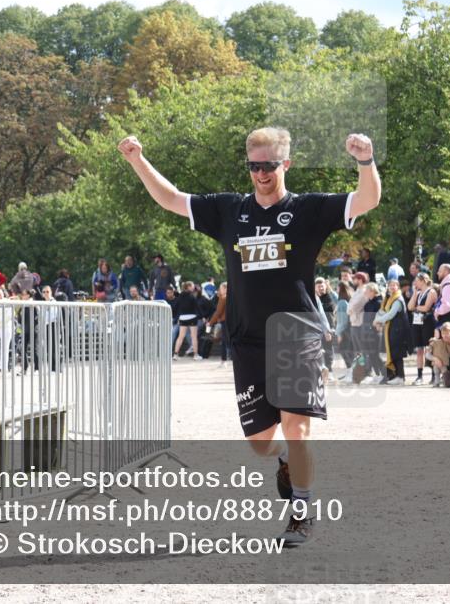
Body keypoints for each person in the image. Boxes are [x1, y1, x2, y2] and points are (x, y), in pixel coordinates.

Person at [119, 126, 380, 545]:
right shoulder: (228, 210)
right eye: (254, 166)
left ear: (286, 164)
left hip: (297, 333)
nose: (261, 174)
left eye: (269, 165)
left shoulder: (308, 210)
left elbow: (367, 200)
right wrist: (137, 160)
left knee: (297, 430)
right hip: (247, 337)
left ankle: (301, 511)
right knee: (262, 443)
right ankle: (282, 464)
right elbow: (171, 198)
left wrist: (365, 162)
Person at [373, 278, 409, 383]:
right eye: (390, 285)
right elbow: (383, 311)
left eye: (394, 285)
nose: (392, 287)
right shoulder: (389, 298)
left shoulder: (398, 299)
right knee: (393, 352)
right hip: (392, 329)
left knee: (398, 353)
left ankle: (401, 377)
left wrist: (378, 320)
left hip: (399, 330)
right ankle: (395, 376)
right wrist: (377, 319)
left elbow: (391, 314)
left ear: (398, 287)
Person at [407, 272, 437, 385]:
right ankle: (419, 376)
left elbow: (426, 308)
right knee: (420, 350)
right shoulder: (418, 293)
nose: (415, 283)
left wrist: (416, 307)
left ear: (423, 280)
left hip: (428, 322)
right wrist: (415, 294)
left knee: (430, 349)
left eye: (417, 281)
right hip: (417, 322)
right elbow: (410, 307)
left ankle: (434, 375)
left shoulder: (431, 291)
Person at [346, 271, 369, 373]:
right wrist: (349, 309)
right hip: (354, 322)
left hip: (359, 323)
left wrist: (349, 309)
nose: (353, 280)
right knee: (357, 349)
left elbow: (355, 306)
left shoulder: (364, 291)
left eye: (354, 278)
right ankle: (360, 369)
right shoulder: (358, 290)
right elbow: (350, 305)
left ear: (360, 280)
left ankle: (366, 371)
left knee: (362, 349)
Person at [172, 281, 201, 360]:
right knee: (194, 337)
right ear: (188, 287)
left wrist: (177, 317)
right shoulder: (192, 296)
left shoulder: (180, 296)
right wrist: (201, 316)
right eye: (192, 286)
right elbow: (197, 307)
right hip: (192, 317)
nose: (193, 287)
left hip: (182, 318)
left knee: (180, 337)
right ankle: (195, 355)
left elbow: (175, 307)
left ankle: (175, 354)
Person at [314, 278, 336, 372]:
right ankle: (321, 369)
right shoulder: (314, 298)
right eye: (318, 287)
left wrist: (329, 330)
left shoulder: (329, 297)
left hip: (329, 327)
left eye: (322, 286)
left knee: (328, 349)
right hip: (317, 328)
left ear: (325, 287)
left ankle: (329, 369)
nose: (321, 288)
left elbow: (337, 299)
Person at [207, 282, 230, 365]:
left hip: (225, 321)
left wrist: (210, 322)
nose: (219, 290)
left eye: (221, 288)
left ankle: (224, 360)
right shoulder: (232, 297)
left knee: (224, 341)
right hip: (233, 321)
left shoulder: (223, 298)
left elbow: (218, 312)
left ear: (225, 289)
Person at [334, 280, 353, 374]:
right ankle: (352, 371)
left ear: (340, 289)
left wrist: (338, 334)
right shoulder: (348, 299)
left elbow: (342, 320)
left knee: (344, 351)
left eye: (337, 287)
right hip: (350, 329)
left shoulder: (342, 302)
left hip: (344, 331)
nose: (336, 289)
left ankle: (351, 371)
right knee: (349, 351)